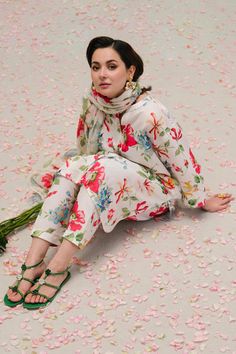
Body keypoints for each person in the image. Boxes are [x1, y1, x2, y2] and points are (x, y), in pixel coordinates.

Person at [4, 36, 234, 310]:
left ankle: (59, 265)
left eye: (112, 66)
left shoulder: (149, 113)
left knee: (102, 168)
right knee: (76, 167)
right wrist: (73, 182)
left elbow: (178, 155)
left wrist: (199, 198)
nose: (102, 74)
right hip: (106, 178)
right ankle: (32, 263)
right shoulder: (93, 102)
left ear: (130, 71)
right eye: (95, 66)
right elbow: (85, 149)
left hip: (153, 187)